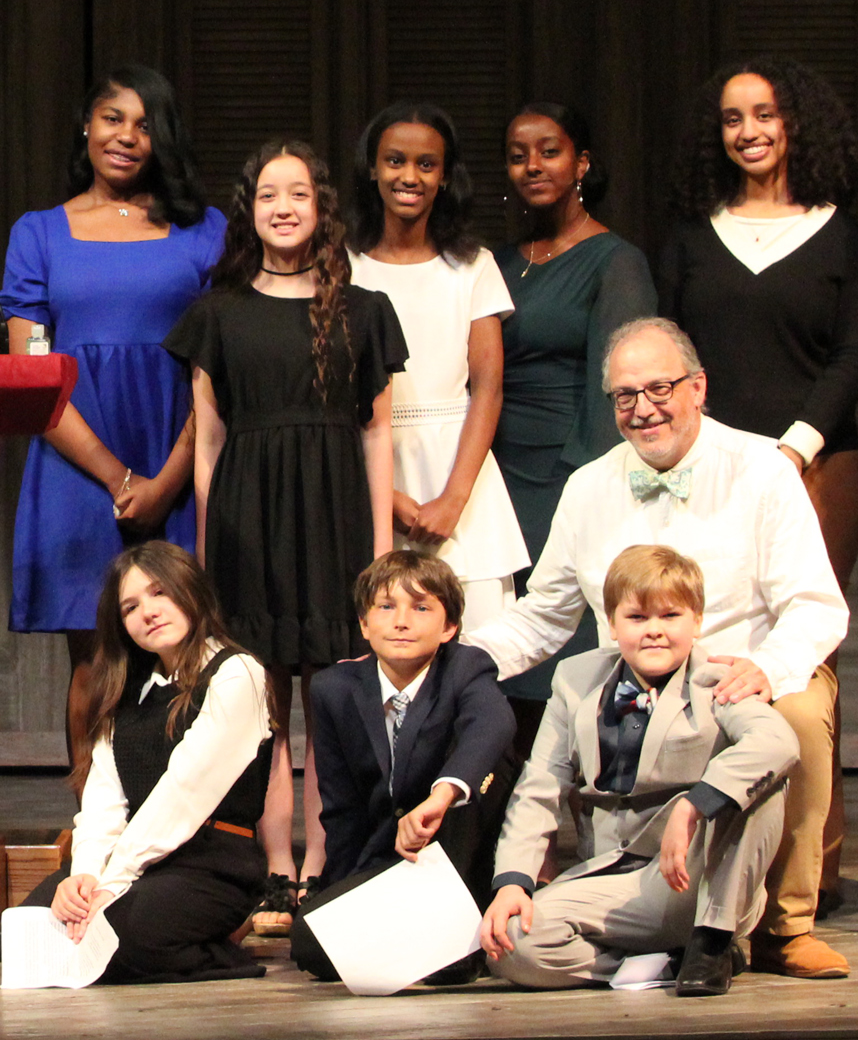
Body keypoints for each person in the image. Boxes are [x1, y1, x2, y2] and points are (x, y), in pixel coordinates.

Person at [463, 318, 852, 979]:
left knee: (794, 719)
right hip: (635, 688)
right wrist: (461, 661)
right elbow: (547, 614)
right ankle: (654, 941)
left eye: (659, 388)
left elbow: (815, 605)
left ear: (698, 387)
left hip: (737, 682)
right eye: (623, 396)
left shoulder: (761, 469)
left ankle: (785, 926)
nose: (642, 408)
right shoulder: (589, 486)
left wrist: (768, 669)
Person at [167, 139, 403, 914]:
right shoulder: (216, 312)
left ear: (320, 207)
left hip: (334, 508)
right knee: (261, 700)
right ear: (250, 209)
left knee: (333, 697)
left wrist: (381, 554)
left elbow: (378, 436)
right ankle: (274, 867)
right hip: (249, 516)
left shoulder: (365, 311)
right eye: (269, 193)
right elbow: (207, 443)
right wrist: (205, 555)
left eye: (298, 193)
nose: (284, 207)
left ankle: (329, 864)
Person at [0, 66, 222, 765]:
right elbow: (31, 371)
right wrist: (118, 477)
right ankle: (89, 827)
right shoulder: (38, 233)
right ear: (86, 127)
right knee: (95, 660)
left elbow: (218, 373)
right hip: (76, 467)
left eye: (145, 123)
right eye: (112, 118)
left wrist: (163, 481)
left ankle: (175, 825)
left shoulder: (203, 233)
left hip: (178, 457)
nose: (126, 136)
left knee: (186, 655)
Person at [481, 545, 799, 997]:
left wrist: (694, 804)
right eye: (637, 618)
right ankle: (659, 965)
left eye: (670, 616)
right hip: (617, 883)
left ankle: (710, 945)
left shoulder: (717, 679)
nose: (654, 631)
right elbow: (540, 788)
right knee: (511, 944)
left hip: (697, 880)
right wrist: (514, 881)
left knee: (762, 781)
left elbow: (778, 741)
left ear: (697, 621)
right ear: (611, 624)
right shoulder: (575, 679)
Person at [484, 101, 654, 870]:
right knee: (511, 657)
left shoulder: (614, 259)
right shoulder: (503, 259)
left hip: (569, 471)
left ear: (581, 161)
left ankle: (604, 839)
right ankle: (526, 840)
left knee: (574, 656)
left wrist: (592, 486)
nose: (533, 167)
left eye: (549, 151)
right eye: (519, 155)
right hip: (496, 479)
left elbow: (616, 381)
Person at [656, 57, 858, 589]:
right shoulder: (690, 237)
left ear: (795, 124)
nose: (749, 131)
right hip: (707, 468)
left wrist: (792, 452)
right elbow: (669, 351)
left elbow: (853, 356)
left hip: (817, 467)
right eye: (733, 119)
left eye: (765, 115)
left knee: (807, 652)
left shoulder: (842, 236)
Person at [22, 540, 282, 983]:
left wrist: (113, 882)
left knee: (124, 935)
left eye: (160, 592)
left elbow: (183, 794)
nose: (148, 611)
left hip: (212, 864)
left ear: (192, 592)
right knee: (28, 931)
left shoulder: (237, 674)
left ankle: (223, 952)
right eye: (130, 607)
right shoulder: (125, 692)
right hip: (139, 866)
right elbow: (103, 802)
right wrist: (83, 879)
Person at [289, 552, 515, 982]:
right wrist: (345, 892)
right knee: (310, 938)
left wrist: (443, 794)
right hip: (386, 861)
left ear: (449, 627)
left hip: (454, 855)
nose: (401, 621)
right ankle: (431, 946)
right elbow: (342, 811)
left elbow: (493, 722)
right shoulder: (334, 689)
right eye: (386, 607)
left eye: (421, 608)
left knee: (490, 759)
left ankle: (452, 933)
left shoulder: (466, 668)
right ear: (364, 624)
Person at [349, 103, 530, 628]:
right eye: (395, 161)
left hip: (459, 467)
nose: (410, 176)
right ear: (372, 168)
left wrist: (452, 498)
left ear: (445, 175)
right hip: (371, 462)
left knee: (476, 642)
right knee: (386, 635)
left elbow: (489, 388)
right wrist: (390, 497)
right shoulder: (343, 263)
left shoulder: (472, 265)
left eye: (426, 164)